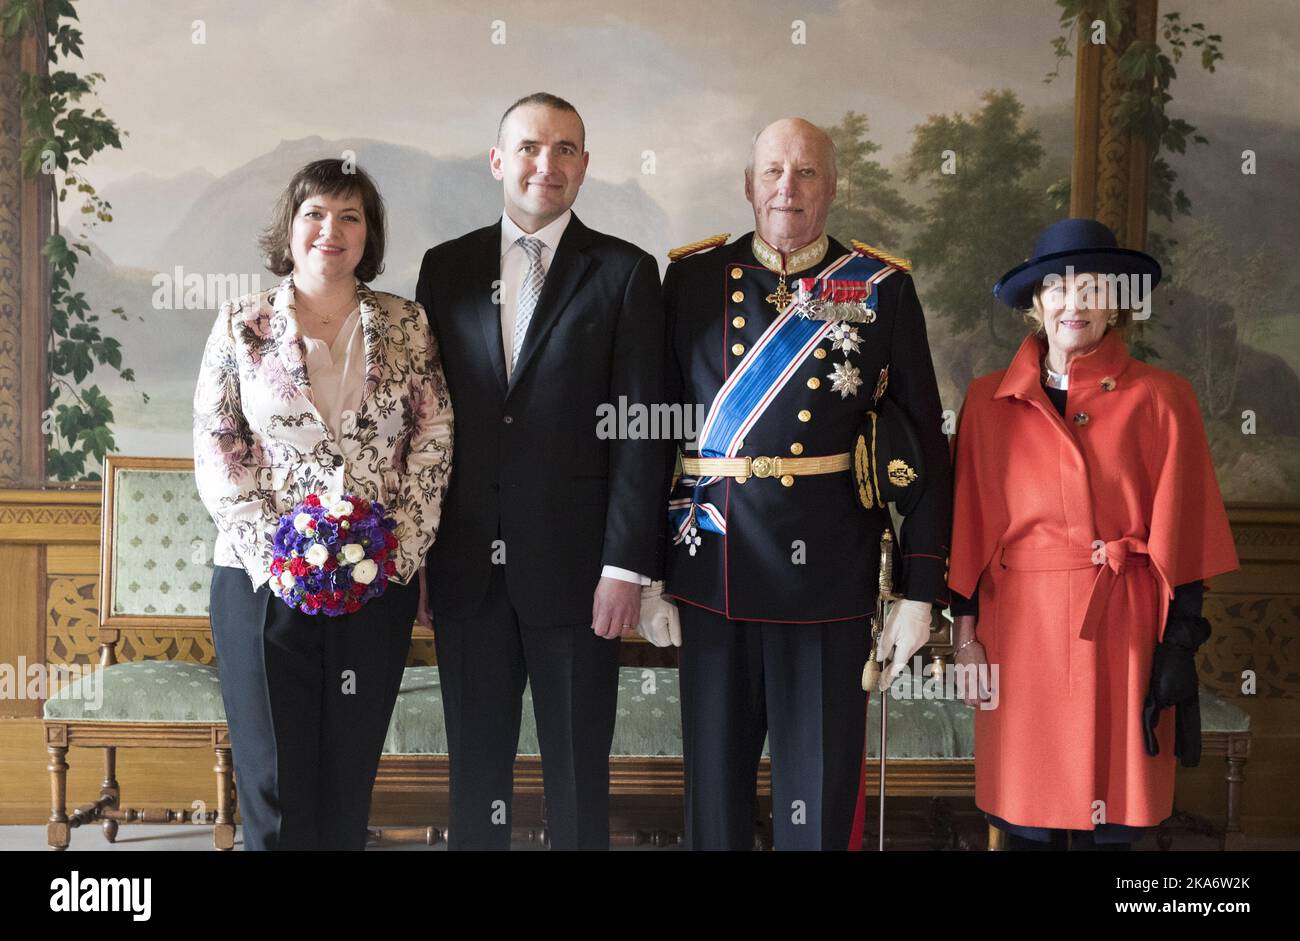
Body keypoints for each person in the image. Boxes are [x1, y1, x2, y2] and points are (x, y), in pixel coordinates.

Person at [655, 118, 952, 850]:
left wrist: (920, 591)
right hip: (712, 570)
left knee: (817, 809)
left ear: (833, 186)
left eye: (808, 172)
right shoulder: (691, 280)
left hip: (830, 582)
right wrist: (644, 571)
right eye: (774, 171)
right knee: (714, 808)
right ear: (749, 185)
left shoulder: (881, 286)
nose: (789, 187)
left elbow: (925, 445)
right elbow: (650, 433)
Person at [416, 93, 666, 850]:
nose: (545, 165)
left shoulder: (625, 272)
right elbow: (427, 425)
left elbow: (640, 432)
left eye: (564, 150)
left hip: (581, 571)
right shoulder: (445, 268)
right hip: (465, 567)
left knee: (579, 775)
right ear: (499, 161)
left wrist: (627, 564)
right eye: (529, 147)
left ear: (584, 167)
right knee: (476, 775)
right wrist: (421, 552)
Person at [947, 217, 1240, 851]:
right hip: (1017, 632)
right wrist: (964, 640)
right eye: (1056, 287)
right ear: (1035, 304)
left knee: (1112, 826)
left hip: (1126, 627)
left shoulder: (1164, 398)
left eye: (1092, 287)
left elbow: (1187, 537)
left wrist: (1178, 648)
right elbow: (965, 528)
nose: (1073, 302)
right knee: (1025, 816)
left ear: (1118, 305)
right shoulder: (986, 401)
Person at [193, 158, 454, 850]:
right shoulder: (239, 324)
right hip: (262, 585)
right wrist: (272, 556)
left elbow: (433, 438)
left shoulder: (406, 324)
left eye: (349, 216)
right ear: (290, 226)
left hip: (376, 579)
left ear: (368, 234)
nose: (330, 231)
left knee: (347, 771)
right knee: (274, 775)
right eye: (315, 214)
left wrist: (400, 547)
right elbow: (219, 444)